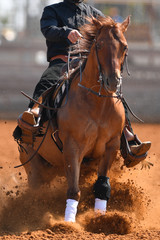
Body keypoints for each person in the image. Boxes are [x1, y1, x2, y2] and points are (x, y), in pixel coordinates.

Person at [19, 0, 151, 159]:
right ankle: (35, 114)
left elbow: (110, 32)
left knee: (115, 94)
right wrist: (65, 32)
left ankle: (127, 135)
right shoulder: (52, 11)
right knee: (48, 79)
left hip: (90, 65)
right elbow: (48, 30)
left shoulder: (95, 14)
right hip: (62, 61)